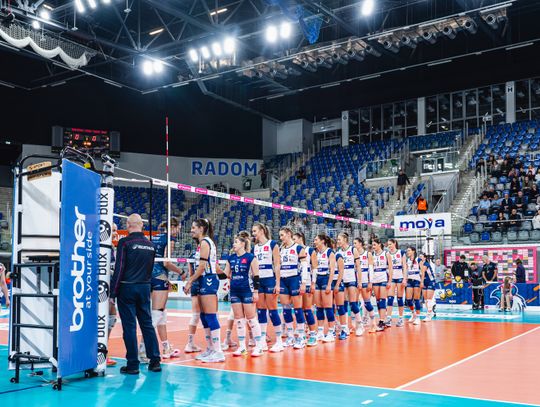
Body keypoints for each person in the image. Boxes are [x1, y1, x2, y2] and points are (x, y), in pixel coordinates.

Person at [110, 214, 161, 374]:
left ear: (128, 225)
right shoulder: (151, 245)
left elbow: (119, 268)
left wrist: (112, 293)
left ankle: (133, 364)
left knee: (129, 326)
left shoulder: (125, 242)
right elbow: (150, 269)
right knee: (147, 324)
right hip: (144, 288)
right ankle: (155, 361)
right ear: (141, 225)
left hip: (127, 288)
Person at [184, 218, 224, 363]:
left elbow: (201, 267)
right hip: (202, 280)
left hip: (208, 279)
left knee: (211, 315)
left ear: (201, 229)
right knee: (203, 316)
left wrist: (189, 281)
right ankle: (211, 348)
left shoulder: (205, 242)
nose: (191, 230)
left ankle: (218, 351)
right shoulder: (201, 243)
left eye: (193, 227)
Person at [146, 218, 184, 360]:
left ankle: (166, 347)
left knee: (161, 314)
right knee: (156, 315)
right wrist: (181, 272)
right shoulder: (170, 239)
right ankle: (144, 349)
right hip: (159, 277)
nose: (179, 231)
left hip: (148, 275)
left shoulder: (155, 237)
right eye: (178, 228)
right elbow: (167, 263)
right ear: (173, 227)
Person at [222, 234, 263, 357]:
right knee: (239, 320)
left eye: (236, 242)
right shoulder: (230, 258)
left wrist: (256, 292)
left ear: (242, 244)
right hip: (234, 291)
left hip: (247, 290)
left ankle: (259, 346)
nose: (233, 244)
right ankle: (242, 347)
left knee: (251, 319)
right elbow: (225, 275)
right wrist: (215, 269)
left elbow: (256, 276)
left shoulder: (250, 257)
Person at [252, 223, 283, 352]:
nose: (253, 233)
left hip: (270, 280)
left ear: (261, 231)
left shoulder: (272, 244)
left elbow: (277, 264)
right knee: (261, 310)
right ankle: (262, 341)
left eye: (255, 231)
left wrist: (278, 283)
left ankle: (279, 341)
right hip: (259, 281)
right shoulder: (255, 247)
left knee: (273, 309)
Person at [278, 227, 308, 349]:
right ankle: (290, 336)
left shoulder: (298, 248)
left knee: (297, 308)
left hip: (294, 279)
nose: (281, 238)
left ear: (289, 234)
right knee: (285, 307)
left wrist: (304, 282)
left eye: (282, 235)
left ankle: (301, 336)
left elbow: (305, 266)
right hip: (283, 280)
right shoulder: (281, 249)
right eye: (280, 236)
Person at [293, 232, 318, 346]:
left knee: (307, 309)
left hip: (307, 282)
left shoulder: (309, 250)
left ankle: (313, 334)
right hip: (296, 282)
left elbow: (315, 268)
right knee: (299, 309)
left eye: (294, 239)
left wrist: (313, 283)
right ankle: (301, 331)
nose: (293, 241)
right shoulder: (293, 250)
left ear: (300, 238)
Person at [336, 233, 363, 337]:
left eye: (339, 239)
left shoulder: (353, 250)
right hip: (342, 280)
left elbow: (358, 267)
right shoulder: (338, 252)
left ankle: (359, 325)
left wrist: (359, 281)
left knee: (353, 303)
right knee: (343, 304)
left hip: (351, 279)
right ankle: (346, 326)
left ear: (345, 239)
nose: (338, 241)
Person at [313, 234, 337, 342]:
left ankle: (331, 332)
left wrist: (329, 284)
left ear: (322, 241)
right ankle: (320, 331)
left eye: (316, 240)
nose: (314, 241)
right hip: (317, 279)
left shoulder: (329, 252)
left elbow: (332, 270)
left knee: (328, 306)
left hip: (325, 279)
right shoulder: (316, 252)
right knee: (319, 307)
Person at [354, 238, 376, 331]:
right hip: (355, 281)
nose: (354, 245)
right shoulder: (353, 254)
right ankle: (358, 324)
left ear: (360, 244)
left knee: (367, 302)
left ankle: (373, 322)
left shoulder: (367, 254)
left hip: (365, 281)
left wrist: (370, 282)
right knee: (354, 303)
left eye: (355, 243)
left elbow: (371, 269)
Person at [371, 238, 392, 332]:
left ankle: (382, 321)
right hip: (375, 278)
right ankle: (381, 318)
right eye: (372, 245)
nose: (373, 246)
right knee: (378, 300)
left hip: (383, 277)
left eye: (374, 245)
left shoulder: (386, 254)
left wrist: (390, 281)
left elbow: (390, 268)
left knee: (383, 299)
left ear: (379, 245)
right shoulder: (372, 255)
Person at [385, 239, 406, 328]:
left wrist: (405, 278)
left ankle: (400, 318)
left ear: (394, 243)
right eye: (388, 244)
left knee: (400, 298)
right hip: (392, 278)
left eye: (390, 244)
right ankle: (388, 318)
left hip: (400, 277)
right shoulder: (387, 254)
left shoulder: (401, 252)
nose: (389, 246)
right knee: (390, 298)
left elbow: (404, 266)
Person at [404, 246, 423, 325]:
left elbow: (422, 272)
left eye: (409, 250)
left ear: (413, 251)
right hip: (409, 280)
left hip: (417, 281)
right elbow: (406, 271)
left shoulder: (418, 259)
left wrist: (422, 282)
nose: (407, 252)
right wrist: (405, 279)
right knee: (408, 299)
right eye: (407, 251)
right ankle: (413, 313)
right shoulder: (407, 260)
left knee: (416, 299)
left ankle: (418, 317)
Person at [420, 254, 436, 322]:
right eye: (419, 257)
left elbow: (423, 273)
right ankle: (431, 312)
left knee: (429, 299)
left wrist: (421, 282)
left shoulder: (426, 264)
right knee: (426, 300)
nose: (420, 258)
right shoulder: (419, 264)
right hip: (425, 282)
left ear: (425, 258)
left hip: (430, 281)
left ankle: (428, 315)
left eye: (421, 257)